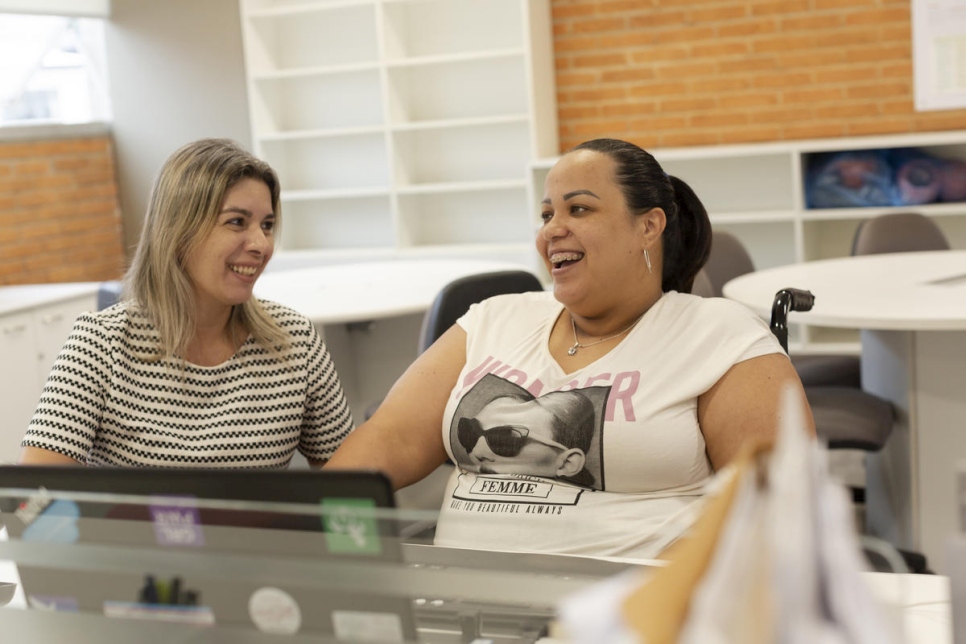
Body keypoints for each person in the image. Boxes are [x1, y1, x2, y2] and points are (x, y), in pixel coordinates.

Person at [325, 137, 815, 560]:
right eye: (547, 214)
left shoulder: (721, 335)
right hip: (467, 604)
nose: (552, 229)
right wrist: (330, 542)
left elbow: (784, 510)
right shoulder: (495, 317)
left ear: (649, 227)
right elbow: (390, 439)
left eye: (578, 209)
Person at [19, 138, 353, 468]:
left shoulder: (295, 340)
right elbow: (37, 498)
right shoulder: (100, 344)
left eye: (266, 225)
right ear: (178, 232)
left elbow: (349, 485)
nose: (261, 244)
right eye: (237, 222)